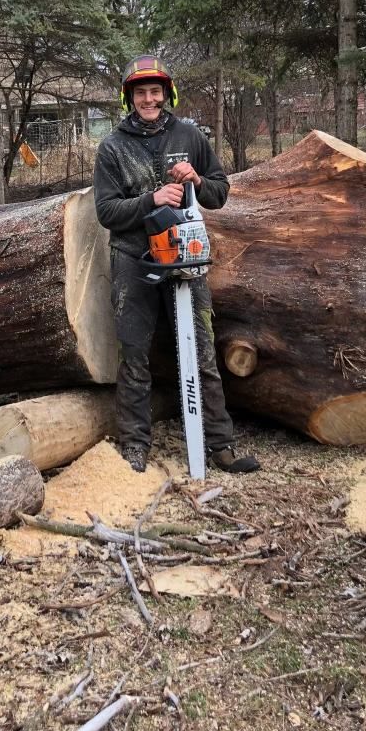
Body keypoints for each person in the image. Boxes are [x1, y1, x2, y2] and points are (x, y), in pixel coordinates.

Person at [93, 56, 260, 475]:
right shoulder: (112, 147)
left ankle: (219, 444)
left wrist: (198, 180)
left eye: (155, 91)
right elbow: (107, 212)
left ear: (167, 94)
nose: (149, 99)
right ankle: (135, 446)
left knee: (202, 349)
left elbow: (219, 192)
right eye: (140, 93)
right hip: (133, 258)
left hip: (186, 255)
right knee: (134, 352)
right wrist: (151, 199)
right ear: (128, 98)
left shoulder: (190, 135)